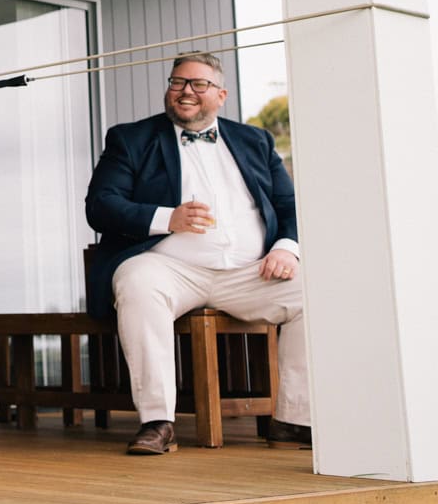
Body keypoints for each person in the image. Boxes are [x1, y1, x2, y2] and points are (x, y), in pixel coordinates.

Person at [84, 52, 309, 455]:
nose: (185, 91)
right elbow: (101, 206)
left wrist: (286, 249)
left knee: (313, 291)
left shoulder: (255, 140)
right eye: (177, 82)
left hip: (249, 273)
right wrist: (167, 217)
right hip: (170, 267)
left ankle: (294, 420)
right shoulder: (131, 139)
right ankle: (157, 421)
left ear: (220, 95)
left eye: (198, 84)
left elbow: (289, 205)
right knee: (138, 283)